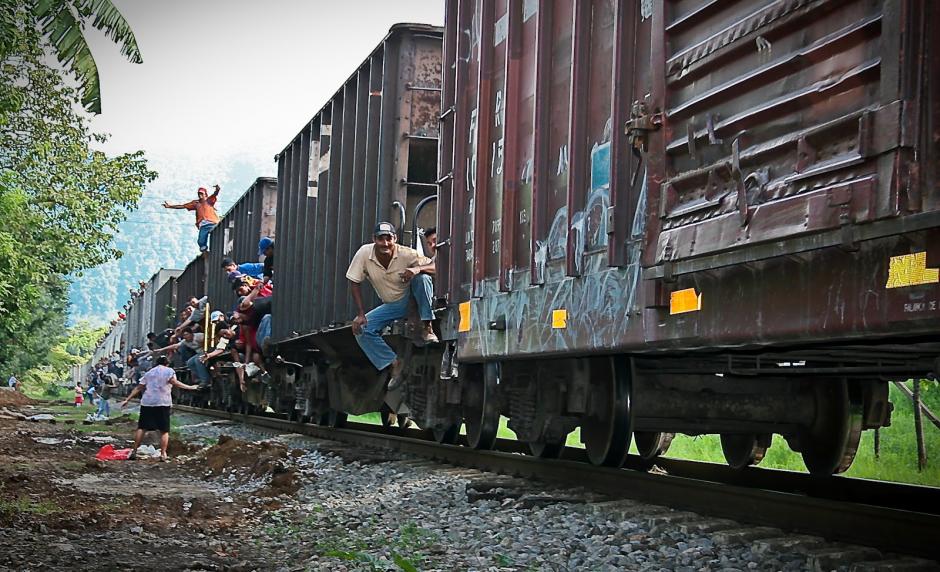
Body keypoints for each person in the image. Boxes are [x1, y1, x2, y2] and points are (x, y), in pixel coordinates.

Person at [347, 222, 438, 389]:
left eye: (388, 238)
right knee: (362, 329)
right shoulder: (364, 254)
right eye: (381, 239)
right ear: (374, 239)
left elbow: (435, 266)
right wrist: (360, 314)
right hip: (393, 305)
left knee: (422, 278)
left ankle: (427, 326)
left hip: (412, 301)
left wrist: (417, 270)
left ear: (394, 239)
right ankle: (394, 363)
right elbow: (354, 282)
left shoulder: (407, 254)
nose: (385, 243)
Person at [120, 356, 199, 461]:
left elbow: (139, 387)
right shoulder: (169, 371)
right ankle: (163, 454)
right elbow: (174, 382)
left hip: (147, 402)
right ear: (167, 363)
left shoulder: (149, 372)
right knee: (164, 430)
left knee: (142, 428)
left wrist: (127, 399)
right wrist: (190, 387)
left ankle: (134, 451)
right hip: (162, 403)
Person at [162, 185, 221, 253]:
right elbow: (183, 206)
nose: (200, 195)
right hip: (203, 225)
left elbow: (215, 194)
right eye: (199, 193)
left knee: (217, 235)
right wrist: (170, 206)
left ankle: (218, 248)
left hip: (212, 223)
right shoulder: (195, 203)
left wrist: (217, 189)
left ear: (205, 194)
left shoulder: (209, 200)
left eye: (201, 193)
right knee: (201, 241)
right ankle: (205, 253)